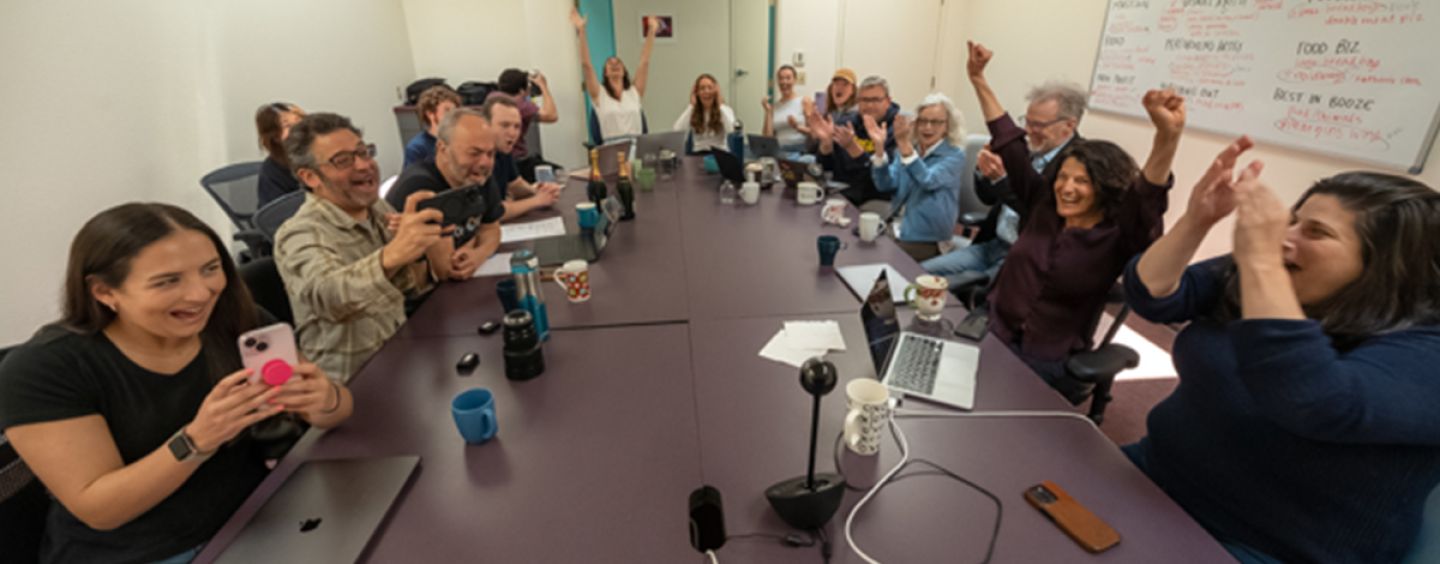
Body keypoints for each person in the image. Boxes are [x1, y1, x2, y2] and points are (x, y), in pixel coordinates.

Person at [1124, 136, 1440, 564]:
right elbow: (1153, 296)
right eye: (1291, 221)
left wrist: (1260, 263)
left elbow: (1314, 399)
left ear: (1386, 267)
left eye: (1316, 232)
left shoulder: (1425, 347)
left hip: (1264, 545)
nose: (1286, 238)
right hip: (1156, 475)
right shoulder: (1269, 274)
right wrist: (1197, 221)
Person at [0, 203, 353, 564]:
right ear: (105, 292)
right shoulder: (44, 368)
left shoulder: (234, 322)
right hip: (141, 553)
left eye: (211, 269)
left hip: (252, 521)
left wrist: (323, 400)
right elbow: (100, 510)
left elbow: (337, 408)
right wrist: (196, 440)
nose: (200, 294)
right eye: (168, 281)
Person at [966, 41, 1184, 400]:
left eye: (1081, 181)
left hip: (1045, 357)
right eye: (1063, 177)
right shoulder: (1042, 203)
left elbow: (1148, 198)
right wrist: (977, 77)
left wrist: (1167, 138)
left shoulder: (1119, 234)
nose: (1067, 188)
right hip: (993, 330)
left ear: (1104, 187)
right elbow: (1007, 137)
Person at [275, 113, 450, 381]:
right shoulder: (298, 233)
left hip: (399, 356)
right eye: (343, 160)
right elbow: (328, 296)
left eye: (363, 152)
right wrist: (392, 254)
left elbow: (407, 285)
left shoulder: (377, 208)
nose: (364, 165)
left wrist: (421, 247)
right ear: (311, 177)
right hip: (350, 382)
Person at [921, 81, 1088, 289]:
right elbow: (988, 198)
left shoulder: (1078, 165)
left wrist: (1002, 181)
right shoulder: (1030, 150)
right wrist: (985, 173)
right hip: (992, 244)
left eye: (1039, 125)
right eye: (1027, 121)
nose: (1028, 130)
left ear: (1069, 125)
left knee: (967, 293)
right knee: (920, 273)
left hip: (1024, 258)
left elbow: (1039, 210)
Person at [386, 107, 506, 277]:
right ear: (443, 149)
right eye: (475, 153)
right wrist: (474, 241)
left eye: (490, 153)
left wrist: (480, 253)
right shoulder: (420, 187)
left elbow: (491, 228)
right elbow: (446, 269)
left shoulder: (476, 175)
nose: (485, 162)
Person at [868, 92, 966, 262]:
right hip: (897, 227)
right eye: (923, 121)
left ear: (947, 125)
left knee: (879, 262)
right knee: (862, 250)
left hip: (927, 238)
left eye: (935, 122)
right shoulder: (909, 150)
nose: (928, 127)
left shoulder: (954, 155)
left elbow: (928, 180)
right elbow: (885, 184)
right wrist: (879, 148)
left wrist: (904, 145)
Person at [807, 75, 902, 207]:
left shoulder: (897, 131)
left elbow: (884, 182)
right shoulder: (845, 123)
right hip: (841, 192)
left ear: (888, 101)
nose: (869, 105)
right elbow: (826, 167)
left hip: (875, 198)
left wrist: (855, 150)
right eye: (864, 100)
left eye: (875, 100)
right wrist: (826, 143)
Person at [571, 7, 658, 144]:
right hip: (611, 149)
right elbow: (586, 64)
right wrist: (581, 31)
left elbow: (644, 62)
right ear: (605, 72)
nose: (614, 64)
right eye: (610, 63)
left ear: (624, 71)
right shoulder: (599, 94)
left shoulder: (634, 93)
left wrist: (652, 31)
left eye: (618, 63)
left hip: (636, 147)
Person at [480, 96, 562, 221]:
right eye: (505, 125)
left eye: (517, 127)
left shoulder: (503, 150)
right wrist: (537, 200)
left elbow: (515, 184)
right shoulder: (478, 159)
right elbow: (493, 212)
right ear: (486, 125)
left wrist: (538, 191)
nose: (512, 133)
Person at [487, 68, 558, 181]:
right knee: (557, 173)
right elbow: (551, 116)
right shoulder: (520, 104)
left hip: (500, 159)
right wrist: (543, 86)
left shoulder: (492, 97)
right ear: (521, 91)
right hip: (517, 161)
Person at [256, 102, 306, 207]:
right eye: (288, 125)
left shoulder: (319, 156)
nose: (297, 128)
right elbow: (275, 216)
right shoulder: (272, 170)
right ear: (276, 137)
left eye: (299, 122)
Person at [673, 73, 737, 154]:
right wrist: (691, 106)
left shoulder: (725, 110)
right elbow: (677, 130)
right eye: (702, 88)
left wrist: (720, 104)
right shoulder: (692, 111)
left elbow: (733, 130)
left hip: (720, 153)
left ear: (716, 92)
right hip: (699, 154)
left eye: (710, 88)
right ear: (697, 93)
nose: (706, 91)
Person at [403, 86, 461, 168]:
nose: (453, 116)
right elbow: (413, 179)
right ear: (430, 114)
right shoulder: (416, 148)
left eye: (455, 111)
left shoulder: (462, 141)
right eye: (447, 111)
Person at [762, 65, 807, 152]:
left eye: (788, 78)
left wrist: (797, 127)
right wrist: (768, 112)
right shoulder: (774, 106)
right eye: (781, 78)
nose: (784, 82)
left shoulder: (804, 101)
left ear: (794, 80)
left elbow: (813, 133)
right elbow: (767, 138)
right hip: (779, 149)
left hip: (799, 148)